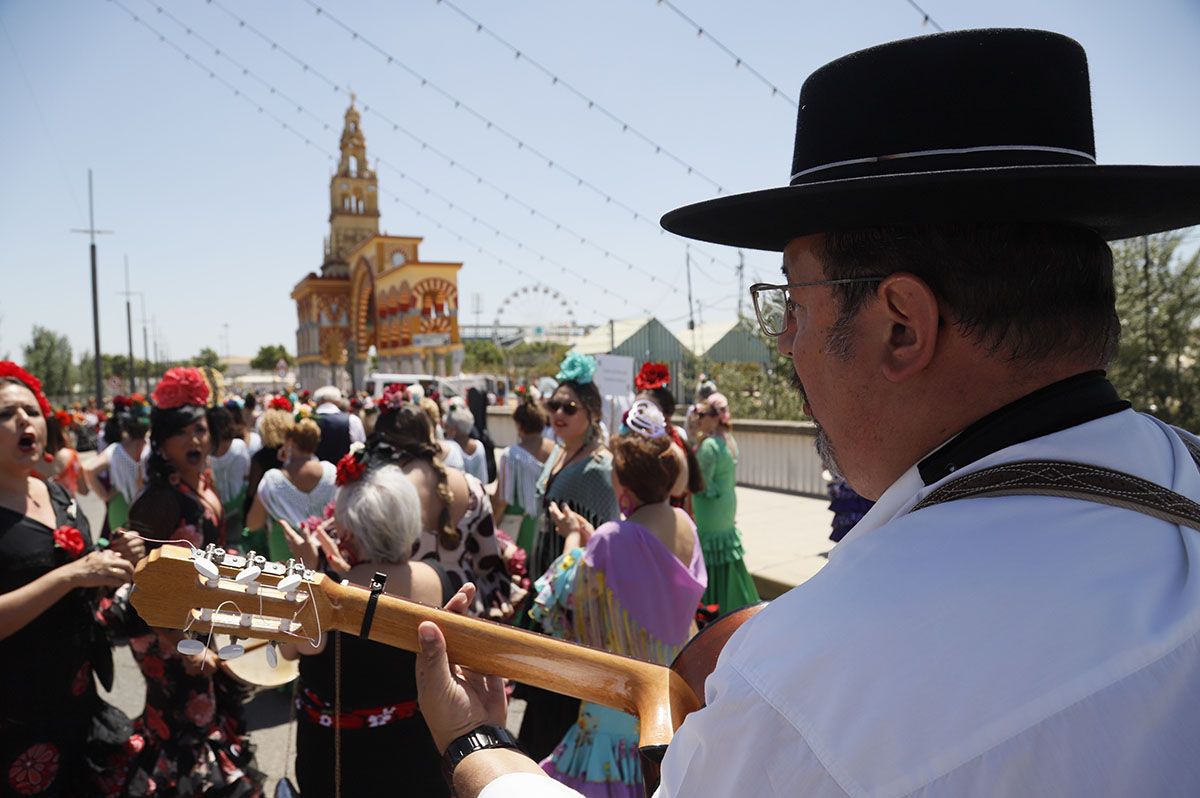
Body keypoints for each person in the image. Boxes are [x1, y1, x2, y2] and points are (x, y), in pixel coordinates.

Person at [412, 29, 1200, 797]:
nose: (785, 340)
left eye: (793, 298)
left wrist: (477, 748)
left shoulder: (815, 691)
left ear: (900, 325)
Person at [532, 400, 707, 796]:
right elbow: (648, 575)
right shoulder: (684, 525)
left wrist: (575, 538)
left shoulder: (613, 539)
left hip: (617, 705)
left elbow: (561, 598)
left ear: (623, 484)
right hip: (670, 694)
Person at [0, 362, 144, 797]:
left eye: (31, 410)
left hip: (79, 698)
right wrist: (73, 575)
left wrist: (116, 559)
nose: (24, 420)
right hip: (17, 714)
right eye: (6, 414)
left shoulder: (56, 493)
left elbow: (84, 580)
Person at [121, 367, 264, 795]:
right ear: (162, 444)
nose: (196, 440)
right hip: (167, 636)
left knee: (209, 718)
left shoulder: (203, 484)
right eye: (182, 433)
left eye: (200, 430)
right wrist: (182, 645)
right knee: (182, 729)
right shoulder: (159, 501)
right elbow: (140, 587)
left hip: (203, 627)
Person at [279, 456, 452, 797]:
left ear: (347, 531)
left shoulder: (325, 593)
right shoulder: (437, 577)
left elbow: (287, 650)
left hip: (340, 760)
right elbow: (380, 584)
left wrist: (305, 573)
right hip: (415, 752)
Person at [516, 352, 620, 762]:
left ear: (591, 412)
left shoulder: (599, 467)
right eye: (553, 405)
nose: (558, 413)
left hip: (573, 601)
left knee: (556, 700)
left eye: (569, 407)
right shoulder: (560, 450)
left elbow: (608, 539)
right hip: (549, 582)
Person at [372, 389, 520, 617]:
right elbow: (487, 559)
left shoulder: (381, 493)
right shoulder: (471, 486)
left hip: (407, 606)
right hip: (463, 604)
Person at [690, 392, 759, 614]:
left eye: (701, 414)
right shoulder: (729, 440)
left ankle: (712, 604)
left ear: (713, 417)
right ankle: (735, 601)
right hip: (727, 505)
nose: (697, 419)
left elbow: (700, 483)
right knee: (725, 550)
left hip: (710, 509)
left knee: (710, 552)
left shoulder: (709, 445)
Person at [245, 418, 336, 562]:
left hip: (284, 554)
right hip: (323, 553)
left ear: (291, 442)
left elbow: (253, 523)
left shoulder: (273, 479)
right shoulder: (331, 472)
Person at [632, 362, 703, 513]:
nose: (639, 416)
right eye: (636, 410)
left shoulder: (671, 447)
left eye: (645, 410)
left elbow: (679, 493)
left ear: (666, 415)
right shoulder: (636, 443)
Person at [492, 392, 554, 555]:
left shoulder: (511, 455)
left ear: (519, 426)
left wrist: (493, 526)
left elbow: (501, 500)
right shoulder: (557, 452)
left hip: (517, 530)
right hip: (548, 529)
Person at [85, 396, 150, 531]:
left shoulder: (115, 450)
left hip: (120, 505)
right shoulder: (152, 449)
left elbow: (89, 470)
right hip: (148, 507)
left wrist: (106, 496)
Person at [242, 402, 293, 520]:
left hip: (267, 513)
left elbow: (252, 491)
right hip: (291, 512)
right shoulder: (293, 454)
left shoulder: (260, 457)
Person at [206, 406, 251, 538]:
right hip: (237, 507)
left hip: (213, 508)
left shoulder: (204, 454)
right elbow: (246, 475)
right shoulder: (240, 446)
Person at [33, 412, 88, 498]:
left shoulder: (29, 461)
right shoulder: (72, 456)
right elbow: (84, 490)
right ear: (59, 432)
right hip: (67, 509)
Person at [312, 385, 364, 463]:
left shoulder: (306, 421)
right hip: (343, 472)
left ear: (317, 402)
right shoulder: (352, 420)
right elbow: (360, 445)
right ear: (338, 402)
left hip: (313, 472)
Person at [447, 406, 489, 485]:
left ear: (454, 430)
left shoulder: (451, 449)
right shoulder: (479, 446)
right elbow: (483, 478)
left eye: (448, 426)